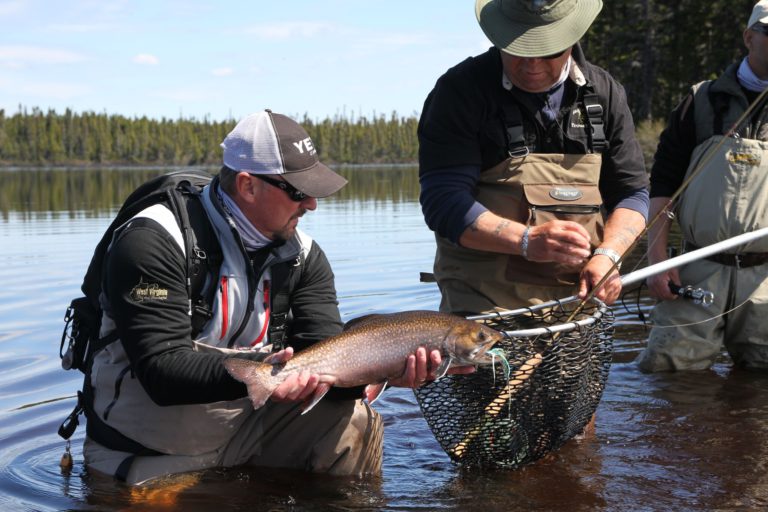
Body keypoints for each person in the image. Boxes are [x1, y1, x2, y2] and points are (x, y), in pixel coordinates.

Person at [83, 110, 455, 485]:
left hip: (250, 430)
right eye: (298, 191)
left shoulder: (305, 257)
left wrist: (384, 371)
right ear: (248, 186)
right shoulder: (152, 241)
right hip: (147, 449)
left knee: (357, 421)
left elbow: (327, 359)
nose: (312, 204)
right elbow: (161, 371)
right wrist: (267, 372)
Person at [418, 0, 649, 315]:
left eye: (549, 50)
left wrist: (609, 254)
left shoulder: (605, 93)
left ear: (572, 37)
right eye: (519, 49)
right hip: (483, 307)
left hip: (577, 303)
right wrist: (525, 240)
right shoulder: (460, 91)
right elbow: (443, 201)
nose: (533, 65)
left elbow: (632, 195)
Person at [636, 1, 768, 372]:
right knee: (668, 377)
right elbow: (663, 186)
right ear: (749, 37)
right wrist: (657, 262)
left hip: (765, 277)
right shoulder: (700, 100)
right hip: (695, 270)